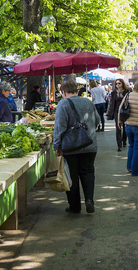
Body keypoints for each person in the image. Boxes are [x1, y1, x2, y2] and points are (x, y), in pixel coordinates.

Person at [53, 80, 101, 214]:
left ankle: (74, 206)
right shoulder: (88, 102)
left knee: (71, 176)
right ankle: (89, 200)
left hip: (71, 147)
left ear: (63, 92)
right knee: (88, 172)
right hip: (90, 144)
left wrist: (56, 145)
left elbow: (59, 127)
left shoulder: (63, 104)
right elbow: (97, 120)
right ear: (76, 90)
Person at [106, 78, 129, 151]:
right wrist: (108, 113)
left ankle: (124, 140)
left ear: (122, 84)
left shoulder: (127, 92)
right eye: (116, 83)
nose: (117, 85)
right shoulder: (113, 93)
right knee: (118, 128)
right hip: (116, 112)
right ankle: (119, 145)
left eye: (119, 83)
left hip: (125, 112)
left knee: (125, 128)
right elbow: (110, 103)